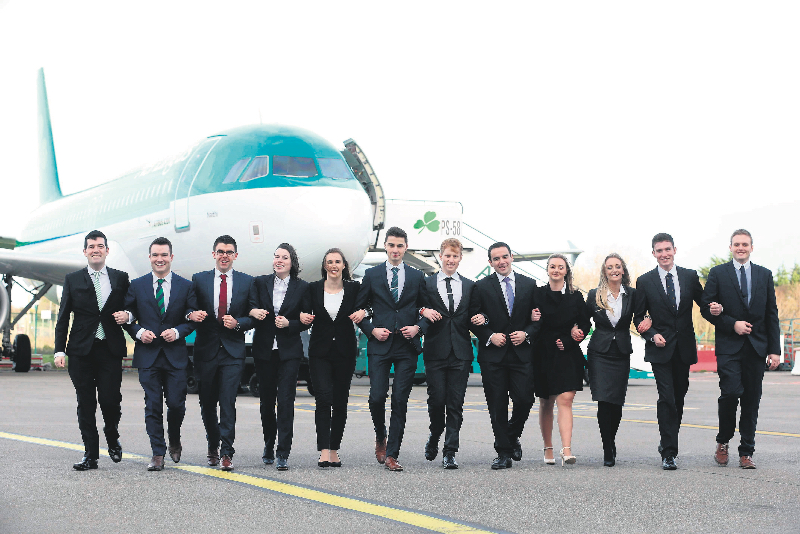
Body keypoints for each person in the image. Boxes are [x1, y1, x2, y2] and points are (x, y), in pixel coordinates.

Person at [633, 232, 719, 470]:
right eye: (659, 250)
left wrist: (716, 311)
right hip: (659, 349)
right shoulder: (645, 281)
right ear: (653, 253)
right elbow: (638, 317)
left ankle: (667, 441)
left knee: (679, 398)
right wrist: (651, 334)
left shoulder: (690, 276)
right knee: (666, 398)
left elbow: (704, 305)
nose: (664, 254)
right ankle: (669, 452)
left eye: (667, 249)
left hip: (683, 348)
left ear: (674, 250)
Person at [701, 229, 780, 469]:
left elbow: (771, 314)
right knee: (730, 393)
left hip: (756, 348)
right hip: (729, 347)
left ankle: (746, 451)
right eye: (736, 244)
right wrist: (730, 323)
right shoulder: (718, 273)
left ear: (751, 247)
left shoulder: (765, 275)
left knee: (751, 400)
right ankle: (723, 441)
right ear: (730, 247)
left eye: (745, 244)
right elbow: (706, 308)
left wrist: (774, 350)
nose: (741, 248)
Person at [54, 230, 131, 471]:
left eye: (100, 246)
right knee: (85, 403)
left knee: (110, 400)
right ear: (85, 251)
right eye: (91, 246)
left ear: (107, 250)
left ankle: (112, 435)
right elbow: (63, 317)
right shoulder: (72, 279)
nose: (95, 250)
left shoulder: (121, 278)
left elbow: (131, 308)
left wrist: (128, 315)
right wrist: (59, 350)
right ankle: (91, 454)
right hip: (80, 351)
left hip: (110, 348)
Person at [117, 237, 195, 471]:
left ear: (171, 257)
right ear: (149, 258)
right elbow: (128, 316)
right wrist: (139, 332)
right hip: (148, 355)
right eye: (155, 255)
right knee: (153, 405)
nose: (159, 259)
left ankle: (174, 438)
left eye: (164, 255)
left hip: (175, 356)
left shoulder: (186, 286)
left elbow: (191, 317)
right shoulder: (137, 285)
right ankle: (158, 453)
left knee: (176, 405)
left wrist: (177, 331)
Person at [354, 226, 426, 472]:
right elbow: (359, 311)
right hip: (380, 344)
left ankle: (392, 454)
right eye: (391, 245)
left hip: (406, 346)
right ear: (385, 246)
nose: (395, 250)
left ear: (406, 248)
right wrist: (371, 330)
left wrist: (418, 328)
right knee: (376, 397)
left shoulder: (417, 276)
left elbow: (427, 310)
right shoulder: (371, 275)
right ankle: (380, 435)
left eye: (400, 246)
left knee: (399, 400)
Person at [187, 235, 255, 472]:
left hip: (232, 352)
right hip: (206, 351)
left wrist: (238, 323)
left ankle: (227, 452)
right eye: (220, 251)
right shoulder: (199, 279)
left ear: (235, 255)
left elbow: (252, 316)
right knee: (207, 404)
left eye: (229, 252)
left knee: (228, 402)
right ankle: (212, 446)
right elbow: (189, 307)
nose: (224, 255)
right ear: (213, 254)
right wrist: (191, 315)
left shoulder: (247, 281)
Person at [470, 242, 538, 470]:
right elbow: (473, 318)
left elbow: (538, 320)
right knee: (497, 405)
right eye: (496, 258)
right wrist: (489, 335)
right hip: (493, 356)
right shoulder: (480, 287)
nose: (502, 262)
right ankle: (503, 452)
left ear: (512, 257)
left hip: (521, 354)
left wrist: (527, 333)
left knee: (525, 400)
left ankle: (511, 435)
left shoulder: (529, 285)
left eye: (505, 257)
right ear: (490, 262)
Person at [299, 248, 365, 468]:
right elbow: (302, 310)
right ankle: (324, 450)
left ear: (344, 265)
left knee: (340, 400)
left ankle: (334, 449)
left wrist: (365, 312)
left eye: (337, 261)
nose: (334, 265)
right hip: (320, 352)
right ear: (324, 266)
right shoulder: (313, 288)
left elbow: (368, 305)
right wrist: (301, 315)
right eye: (330, 262)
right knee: (323, 398)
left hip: (345, 352)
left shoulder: (354, 288)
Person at [418, 238, 480, 469]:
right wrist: (422, 310)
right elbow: (415, 306)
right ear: (440, 257)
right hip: (435, 351)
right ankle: (435, 433)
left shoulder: (470, 286)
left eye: (455, 256)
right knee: (436, 401)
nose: (451, 260)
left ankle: (450, 451)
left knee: (455, 404)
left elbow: (475, 314)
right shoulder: (427, 284)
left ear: (460, 258)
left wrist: (482, 319)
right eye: (447, 256)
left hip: (461, 353)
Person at [248, 243, 310, 471]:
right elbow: (250, 306)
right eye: (276, 256)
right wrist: (253, 311)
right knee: (266, 402)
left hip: (289, 352)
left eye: (284, 257)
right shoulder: (260, 282)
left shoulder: (302, 287)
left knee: (285, 401)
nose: (279, 260)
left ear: (292, 262)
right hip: (264, 351)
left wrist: (289, 324)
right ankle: (268, 444)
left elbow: (306, 321)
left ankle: (283, 451)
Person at [585, 253, 650, 467]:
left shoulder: (632, 294)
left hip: (621, 352)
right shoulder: (594, 294)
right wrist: (576, 330)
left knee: (617, 401)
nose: (614, 270)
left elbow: (640, 316)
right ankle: (607, 447)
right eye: (610, 267)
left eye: (617, 266)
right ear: (604, 272)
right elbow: (584, 320)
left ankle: (611, 440)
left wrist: (648, 320)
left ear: (623, 270)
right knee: (603, 401)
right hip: (599, 353)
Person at [531, 254, 591, 466]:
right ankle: (548, 447)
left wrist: (574, 336)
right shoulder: (537, 294)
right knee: (546, 401)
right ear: (547, 270)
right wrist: (532, 318)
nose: (556, 270)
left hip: (567, 351)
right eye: (552, 266)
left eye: (560, 267)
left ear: (566, 271)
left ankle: (566, 450)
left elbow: (585, 323)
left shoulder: (576, 296)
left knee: (565, 399)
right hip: (543, 352)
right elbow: (530, 320)